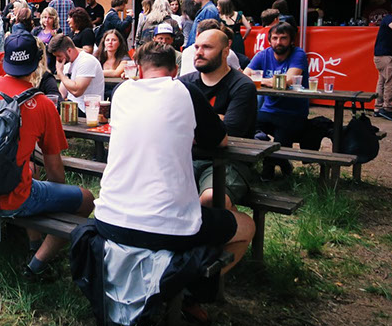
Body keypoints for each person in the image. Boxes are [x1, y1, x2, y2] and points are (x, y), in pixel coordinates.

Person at [93, 41, 254, 295]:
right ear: (175, 72)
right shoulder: (186, 91)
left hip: (107, 220)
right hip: (165, 227)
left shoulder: (121, 91)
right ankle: (190, 290)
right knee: (246, 226)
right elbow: (220, 140)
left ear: (139, 70)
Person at [0, 32, 95, 279]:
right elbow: (54, 169)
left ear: (4, 59)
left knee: (29, 173)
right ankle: (37, 265)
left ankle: (34, 243)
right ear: (38, 62)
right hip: (16, 200)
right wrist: (55, 196)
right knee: (86, 199)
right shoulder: (43, 104)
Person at [180, 29, 258, 207]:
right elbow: (171, 126)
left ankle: (239, 223)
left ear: (225, 52)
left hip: (229, 160)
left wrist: (192, 123)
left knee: (212, 199)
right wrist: (216, 119)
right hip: (187, 157)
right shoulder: (184, 83)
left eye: (207, 47)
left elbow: (230, 132)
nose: (199, 52)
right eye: (197, 47)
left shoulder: (243, 85)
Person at [244, 22, 309, 179]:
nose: (278, 42)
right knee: (244, 127)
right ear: (269, 40)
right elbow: (244, 76)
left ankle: (270, 171)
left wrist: (260, 80)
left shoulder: (298, 54)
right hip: (268, 110)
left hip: (292, 112)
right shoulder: (263, 55)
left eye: (283, 38)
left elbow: (288, 80)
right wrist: (271, 81)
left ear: (291, 40)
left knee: (280, 145)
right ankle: (277, 161)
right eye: (275, 38)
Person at [48, 33, 105, 110]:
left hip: (87, 110)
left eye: (59, 56)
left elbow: (77, 92)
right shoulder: (67, 65)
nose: (57, 60)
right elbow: (61, 94)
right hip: (72, 107)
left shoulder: (87, 61)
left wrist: (60, 74)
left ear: (69, 50)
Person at [373, 6, 392, 120]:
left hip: (382, 56)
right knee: (391, 82)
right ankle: (387, 108)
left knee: (382, 81)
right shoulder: (389, 18)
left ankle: (378, 108)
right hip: (385, 57)